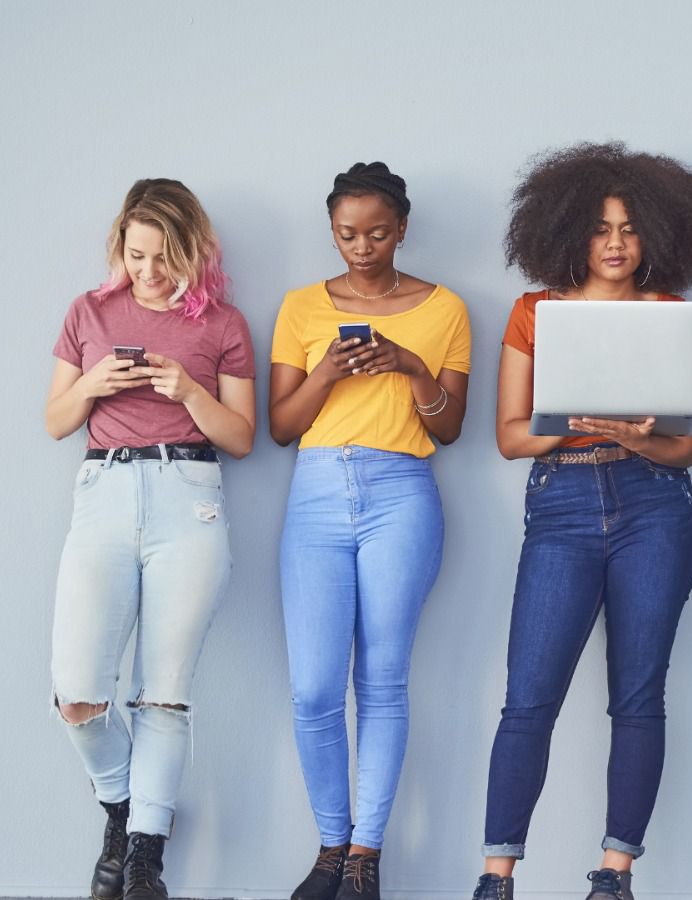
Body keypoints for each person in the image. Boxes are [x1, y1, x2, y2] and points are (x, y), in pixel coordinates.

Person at [470, 142, 692, 900]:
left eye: (630, 228)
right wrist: (573, 421)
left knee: (639, 696)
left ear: (655, 236)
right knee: (529, 697)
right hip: (562, 503)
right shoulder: (535, 312)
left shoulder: (673, 317)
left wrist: (636, 436)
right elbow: (511, 436)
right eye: (600, 228)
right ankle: (496, 877)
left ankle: (614, 876)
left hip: (654, 503)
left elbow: (686, 449)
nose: (615, 243)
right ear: (570, 232)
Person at [45, 178, 256, 900]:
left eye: (165, 259)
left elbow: (243, 437)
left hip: (188, 499)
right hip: (103, 494)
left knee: (162, 696)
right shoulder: (88, 312)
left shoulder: (222, 324)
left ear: (193, 252)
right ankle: (123, 805)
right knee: (77, 693)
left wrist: (189, 392)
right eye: (137, 256)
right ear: (120, 248)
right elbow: (55, 421)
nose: (150, 273)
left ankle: (143, 858)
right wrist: (97, 382)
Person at [269, 162, 471, 900]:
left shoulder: (444, 307)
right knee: (314, 688)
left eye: (378, 232)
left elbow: (449, 428)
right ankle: (329, 844)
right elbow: (282, 427)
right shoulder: (299, 307)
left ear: (403, 229)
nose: (362, 246)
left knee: (381, 681)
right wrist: (326, 373)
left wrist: (410, 365)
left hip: (402, 492)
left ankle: (364, 855)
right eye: (347, 234)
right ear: (332, 231)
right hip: (317, 492)